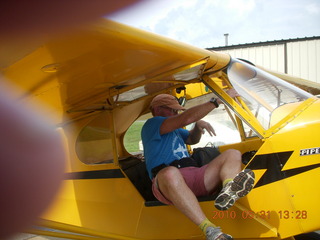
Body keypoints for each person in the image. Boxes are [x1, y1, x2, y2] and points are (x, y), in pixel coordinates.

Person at [141, 91, 255, 240]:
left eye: (176, 110)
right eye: (172, 110)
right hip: (168, 182)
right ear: (157, 110)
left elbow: (191, 139)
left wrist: (197, 127)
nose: (175, 112)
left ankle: (229, 189)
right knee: (169, 173)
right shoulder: (153, 124)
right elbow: (186, 118)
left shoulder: (173, 129)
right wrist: (215, 102)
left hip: (193, 174)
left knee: (233, 153)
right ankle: (210, 230)